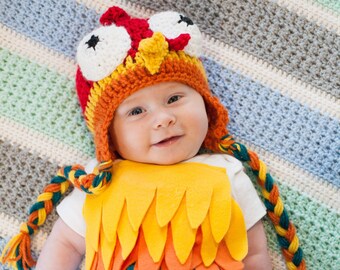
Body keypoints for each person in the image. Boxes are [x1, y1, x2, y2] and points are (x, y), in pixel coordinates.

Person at [1, 6, 305, 270]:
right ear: (109, 136)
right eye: (136, 112)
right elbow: (66, 243)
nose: (163, 118)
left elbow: (252, 253)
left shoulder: (227, 174)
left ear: (206, 104)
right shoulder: (101, 183)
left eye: (174, 98)